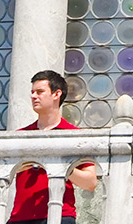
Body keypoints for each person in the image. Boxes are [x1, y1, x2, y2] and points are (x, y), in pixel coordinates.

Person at [8, 71, 97, 224]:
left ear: (56, 94)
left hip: (60, 215)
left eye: (40, 92)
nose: (33, 96)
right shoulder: (21, 135)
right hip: (20, 217)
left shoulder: (75, 135)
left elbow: (90, 183)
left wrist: (61, 165)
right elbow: (5, 171)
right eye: (32, 92)